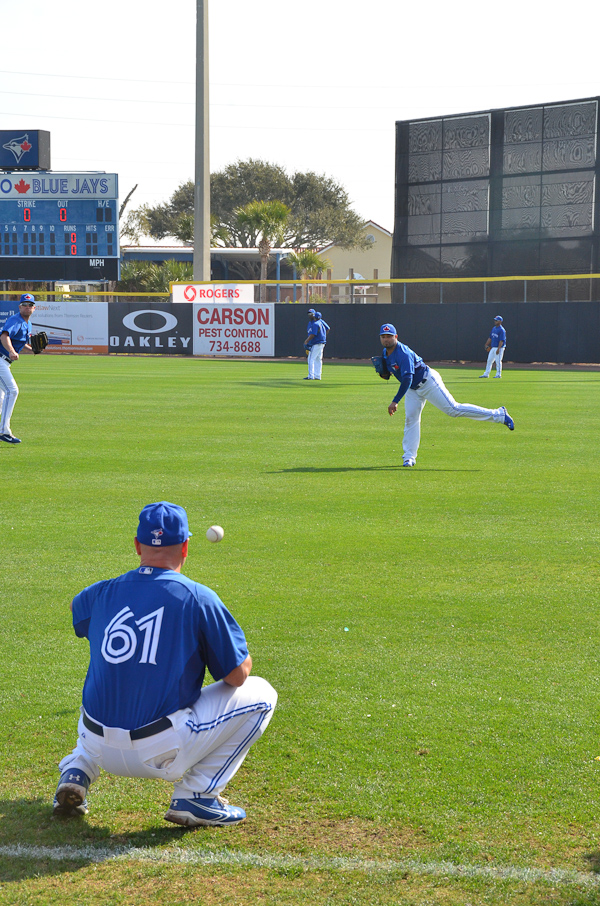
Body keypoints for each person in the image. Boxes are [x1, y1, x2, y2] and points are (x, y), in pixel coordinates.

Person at [53, 501, 277, 828]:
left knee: (114, 681)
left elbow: (77, 608)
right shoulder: (198, 597)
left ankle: (78, 769)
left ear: (137, 545)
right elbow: (237, 676)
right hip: (160, 753)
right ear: (185, 547)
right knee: (262, 694)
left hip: (96, 743)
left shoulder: (102, 592)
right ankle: (197, 796)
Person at [378, 323, 514, 468]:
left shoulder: (403, 353)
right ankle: (409, 457)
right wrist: (386, 373)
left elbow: (407, 379)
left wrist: (395, 401)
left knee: (454, 409)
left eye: (389, 336)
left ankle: (499, 415)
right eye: (383, 336)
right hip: (413, 389)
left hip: (428, 382)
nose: (386, 339)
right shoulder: (385, 353)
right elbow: (395, 371)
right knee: (411, 420)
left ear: (396, 337)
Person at [0, 292, 36, 443]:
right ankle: (4, 432)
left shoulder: (28, 323)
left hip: (5, 362)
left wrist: (32, 349)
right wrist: (11, 351)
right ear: (19, 307)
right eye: (24, 305)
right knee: (12, 390)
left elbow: (19, 342)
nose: (27, 307)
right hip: (1, 360)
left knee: (1, 398)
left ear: (34, 308)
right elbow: (4, 336)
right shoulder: (15, 320)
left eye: (30, 305)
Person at [303, 308, 330, 380]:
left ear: (314, 315)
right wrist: (323, 336)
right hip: (321, 343)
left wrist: (306, 341)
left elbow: (313, 334)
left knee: (311, 359)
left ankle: (311, 376)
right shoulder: (320, 322)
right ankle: (318, 375)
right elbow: (328, 328)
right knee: (318, 359)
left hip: (316, 343)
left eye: (311, 314)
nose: (310, 315)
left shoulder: (316, 323)